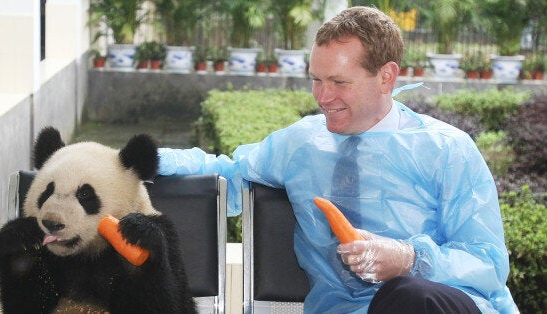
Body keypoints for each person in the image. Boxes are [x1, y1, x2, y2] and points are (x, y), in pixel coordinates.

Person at [158, 6, 518, 313]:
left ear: (386, 77)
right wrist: (132, 161)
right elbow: (226, 174)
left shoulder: (447, 149)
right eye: (316, 79)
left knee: (407, 295)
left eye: (339, 82)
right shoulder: (302, 142)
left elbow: (488, 263)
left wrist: (410, 260)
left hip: (439, 304)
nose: (323, 96)